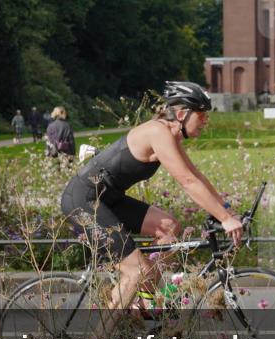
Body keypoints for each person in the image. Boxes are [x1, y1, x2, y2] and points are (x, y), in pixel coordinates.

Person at [60, 81, 243, 313]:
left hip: (108, 199)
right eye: (201, 115)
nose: (206, 120)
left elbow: (197, 176)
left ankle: (141, 302)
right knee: (136, 271)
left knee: (169, 228)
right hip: (83, 201)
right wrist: (225, 220)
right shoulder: (158, 132)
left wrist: (226, 210)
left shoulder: (170, 135)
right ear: (181, 114)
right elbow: (187, 182)